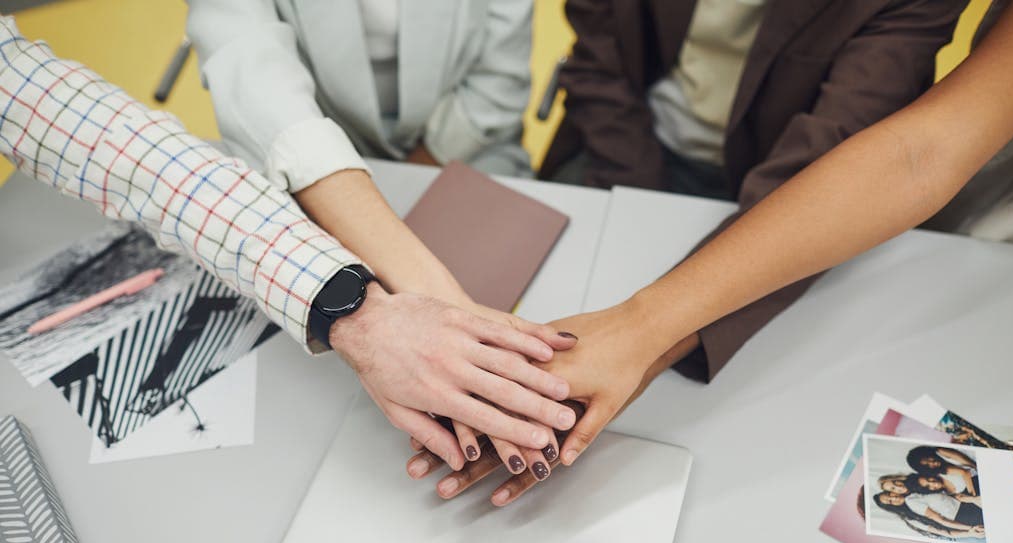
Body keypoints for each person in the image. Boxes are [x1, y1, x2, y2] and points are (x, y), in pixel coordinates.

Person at [409, 0, 1013, 506]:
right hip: (623, 149)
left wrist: (643, 335)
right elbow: (595, 43)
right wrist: (638, 319)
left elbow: (896, 159)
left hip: (795, 174)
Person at [0, 15, 580, 470]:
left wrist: (372, 309)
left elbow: (85, 128)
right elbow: (252, 68)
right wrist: (378, 312)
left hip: (455, 160)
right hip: (304, 161)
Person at [185, 0, 534, 187]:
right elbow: (251, 69)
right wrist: (348, 192)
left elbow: (498, 77)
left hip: (467, 144)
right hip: (314, 133)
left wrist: (425, 167)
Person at [873, 492, 985, 541]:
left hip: (967, 505)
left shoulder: (913, 493)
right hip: (964, 519)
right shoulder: (911, 517)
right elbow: (943, 529)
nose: (894, 498)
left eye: (889, 495)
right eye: (890, 501)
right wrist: (969, 531)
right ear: (892, 507)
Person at [906, 446, 979, 497]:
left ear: (927, 453)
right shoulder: (940, 470)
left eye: (928, 459)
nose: (932, 463)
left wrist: (972, 494)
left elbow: (970, 465)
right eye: (927, 465)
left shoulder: (940, 451)